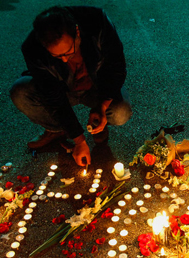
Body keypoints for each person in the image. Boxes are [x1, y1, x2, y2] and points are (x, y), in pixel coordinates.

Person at [10, 6, 132, 167]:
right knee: (20, 92)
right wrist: (79, 140)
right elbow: (53, 96)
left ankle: (99, 123)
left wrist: (102, 106)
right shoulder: (32, 48)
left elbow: (116, 68)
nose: (65, 60)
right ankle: (56, 129)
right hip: (64, 90)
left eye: (68, 52)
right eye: (57, 56)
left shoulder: (98, 23)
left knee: (120, 112)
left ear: (77, 33)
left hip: (97, 86)